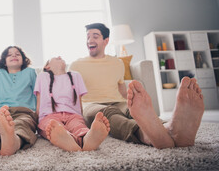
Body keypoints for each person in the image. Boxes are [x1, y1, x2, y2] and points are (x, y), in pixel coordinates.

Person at [70, 23, 204, 149]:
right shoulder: (76, 65)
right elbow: (70, 94)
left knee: (131, 111)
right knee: (108, 113)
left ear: (106, 41)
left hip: (117, 101)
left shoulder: (117, 63)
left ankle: (170, 129)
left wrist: (131, 101)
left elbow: (121, 88)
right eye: (88, 37)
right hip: (91, 104)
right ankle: (146, 136)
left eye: (95, 36)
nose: (89, 40)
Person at [35, 56, 110, 152]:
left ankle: (88, 137)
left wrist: (81, 117)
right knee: (52, 127)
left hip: (73, 115)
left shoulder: (76, 76)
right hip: (49, 116)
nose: (60, 57)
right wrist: (37, 121)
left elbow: (79, 102)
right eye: (55, 57)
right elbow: (39, 101)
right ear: (47, 66)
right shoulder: (42, 76)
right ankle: (67, 138)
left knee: (78, 126)